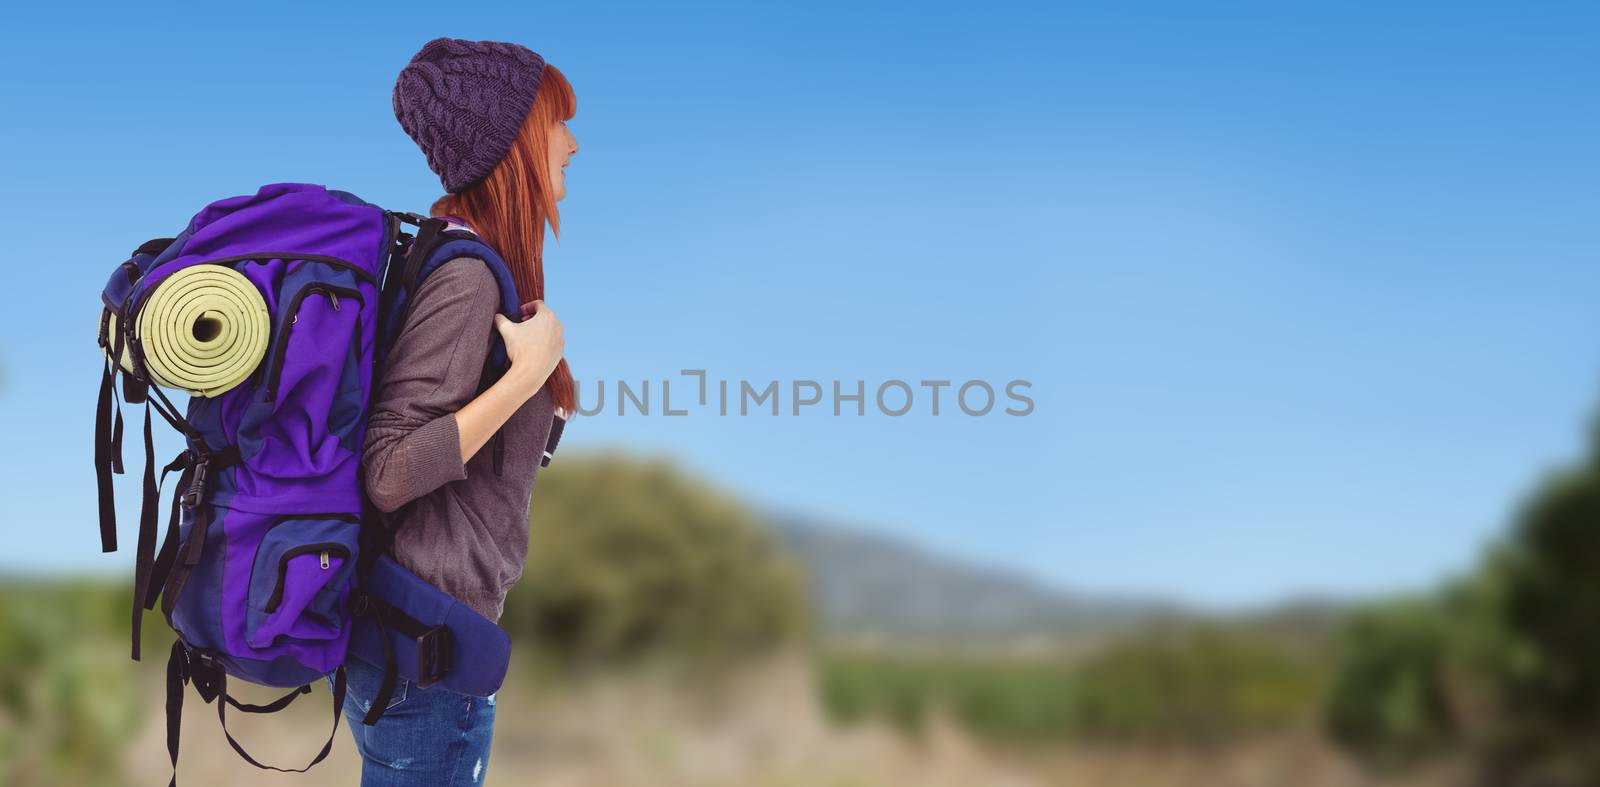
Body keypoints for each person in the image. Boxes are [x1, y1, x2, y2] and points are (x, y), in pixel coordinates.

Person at [336, 37, 579, 786]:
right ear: (513, 146)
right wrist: (526, 375)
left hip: (419, 650)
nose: (572, 141)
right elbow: (390, 467)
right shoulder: (468, 277)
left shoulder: (469, 263)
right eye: (557, 121)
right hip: (427, 669)